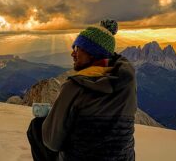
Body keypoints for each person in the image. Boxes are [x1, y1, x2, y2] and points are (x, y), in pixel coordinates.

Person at [27, 19, 137, 161]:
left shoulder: (74, 87)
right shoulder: (128, 83)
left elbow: (51, 142)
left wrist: (50, 117)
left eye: (77, 48)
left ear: (92, 53)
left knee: (36, 128)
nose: (72, 54)